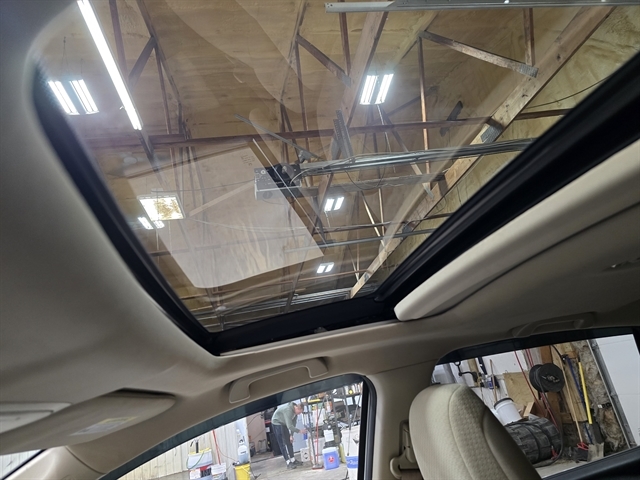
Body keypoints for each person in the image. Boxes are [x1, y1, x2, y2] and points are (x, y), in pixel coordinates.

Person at [271, 402, 307, 469]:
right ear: (297, 408)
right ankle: (288, 462)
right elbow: (289, 426)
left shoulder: (295, 414)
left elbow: (293, 425)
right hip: (277, 422)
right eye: (299, 412)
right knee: (282, 443)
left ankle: (293, 460)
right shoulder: (288, 410)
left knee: (289, 441)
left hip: (284, 423)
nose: (299, 414)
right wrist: (299, 431)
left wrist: (291, 435)